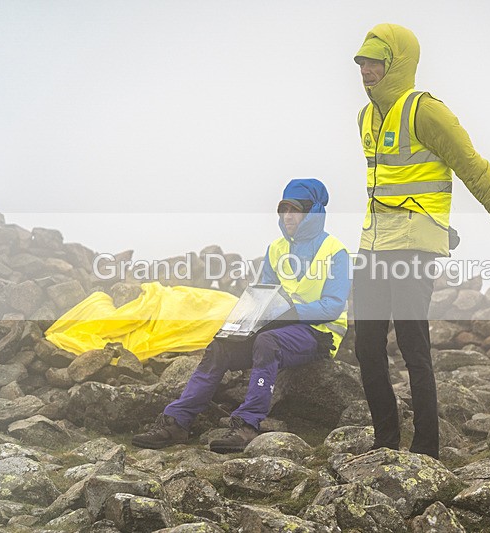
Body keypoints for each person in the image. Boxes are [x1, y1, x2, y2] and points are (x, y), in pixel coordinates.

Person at [352, 23, 490, 459]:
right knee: (366, 347)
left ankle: (425, 449)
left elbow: (471, 166)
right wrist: (442, 223)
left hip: (413, 247)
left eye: (375, 61)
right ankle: (384, 443)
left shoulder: (426, 111)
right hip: (372, 245)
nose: (365, 69)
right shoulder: (365, 117)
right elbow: (392, 187)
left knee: (413, 345)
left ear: (398, 63)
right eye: (361, 61)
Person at [132, 178, 351, 453]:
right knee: (221, 346)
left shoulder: (335, 251)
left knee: (267, 343)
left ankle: (247, 426)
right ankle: (176, 422)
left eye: (295, 209)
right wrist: (245, 322)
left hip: (319, 334)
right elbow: (265, 295)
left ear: (313, 212)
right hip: (282, 328)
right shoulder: (276, 249)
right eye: (283, 209)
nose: (287, 216)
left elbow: (333, 305)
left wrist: (291, 313)